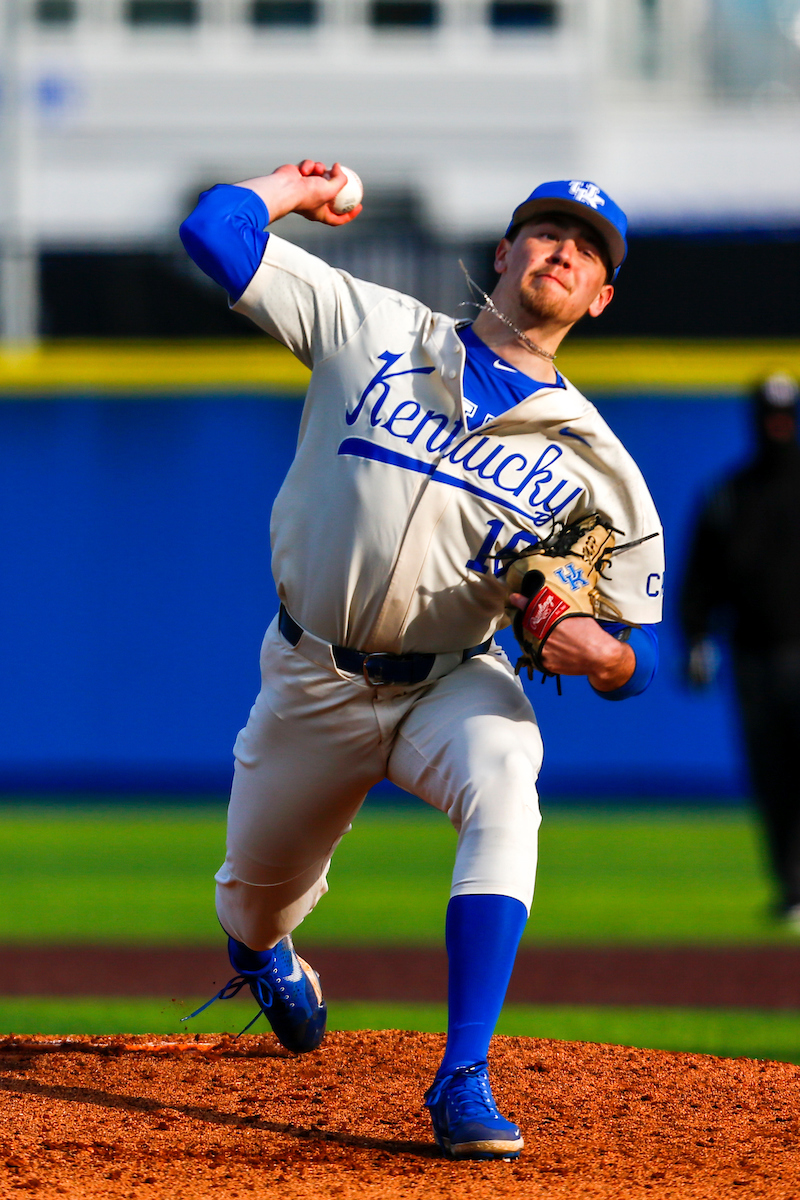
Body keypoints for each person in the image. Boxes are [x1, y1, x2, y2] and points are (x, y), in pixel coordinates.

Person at [179, 162, 664, 1160]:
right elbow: (212, 235)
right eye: (544, 231)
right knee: (250, 902)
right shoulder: (376, 326)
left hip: (450, 680)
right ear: (504, 252)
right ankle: (267, 959)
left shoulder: (595, 463)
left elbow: (636, 653)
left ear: (599, 296)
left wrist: (603, 658)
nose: (562, 250)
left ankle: (461, 1078)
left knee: (506, 783)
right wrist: (288, 187)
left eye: (587, 248)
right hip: (311, 676)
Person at [680, 372, 800, 931]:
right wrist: (697, 638)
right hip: (753, 658)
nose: (777, 426)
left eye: (785, 416)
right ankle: (791, 890)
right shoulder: (729, 494)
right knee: (773, 776)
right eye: (768, 417)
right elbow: (700, 580)